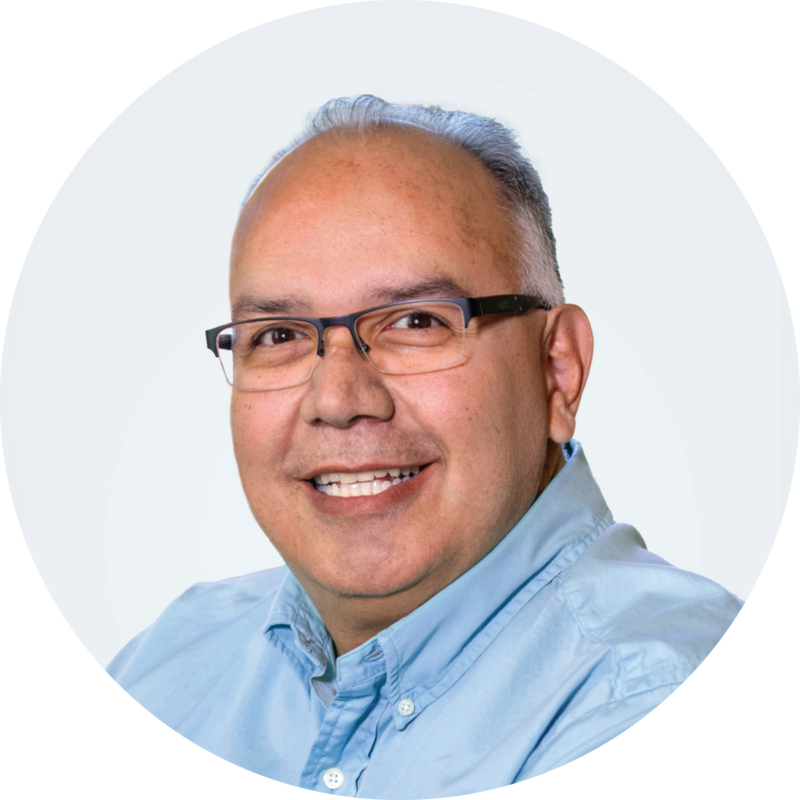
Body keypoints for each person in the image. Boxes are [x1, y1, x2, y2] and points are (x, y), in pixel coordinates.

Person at [106, 95, 743, 790]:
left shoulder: (645, 690)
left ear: (558, 371)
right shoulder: (166, 664)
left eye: (415, 321)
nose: (339, 400)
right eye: (280, 336)